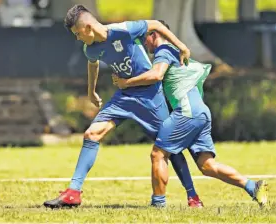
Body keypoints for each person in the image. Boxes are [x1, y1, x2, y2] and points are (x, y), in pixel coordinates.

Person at [43, 5, 203, 209]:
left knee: (168, 147)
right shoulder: (90, 48)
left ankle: (193, 196)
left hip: (150, 95)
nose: (77, 38)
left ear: (89, 27)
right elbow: (93, 64)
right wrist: (91, 91)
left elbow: (154, 24)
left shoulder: (123, 30)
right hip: (123, 95)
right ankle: (73, 192)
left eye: (77, 33)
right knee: (91, 134)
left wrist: (181, 46)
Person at [112, 20, 269, 207]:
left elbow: (156, 75)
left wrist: (126, 83)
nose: (145, 44)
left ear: (154, 34)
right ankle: (253, 187)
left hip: (187, 111)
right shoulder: (175, 52)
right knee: (207, 166)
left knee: (158, 155)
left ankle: (158, 204)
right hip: (201, 111)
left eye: (146, 38)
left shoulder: (164, 51)